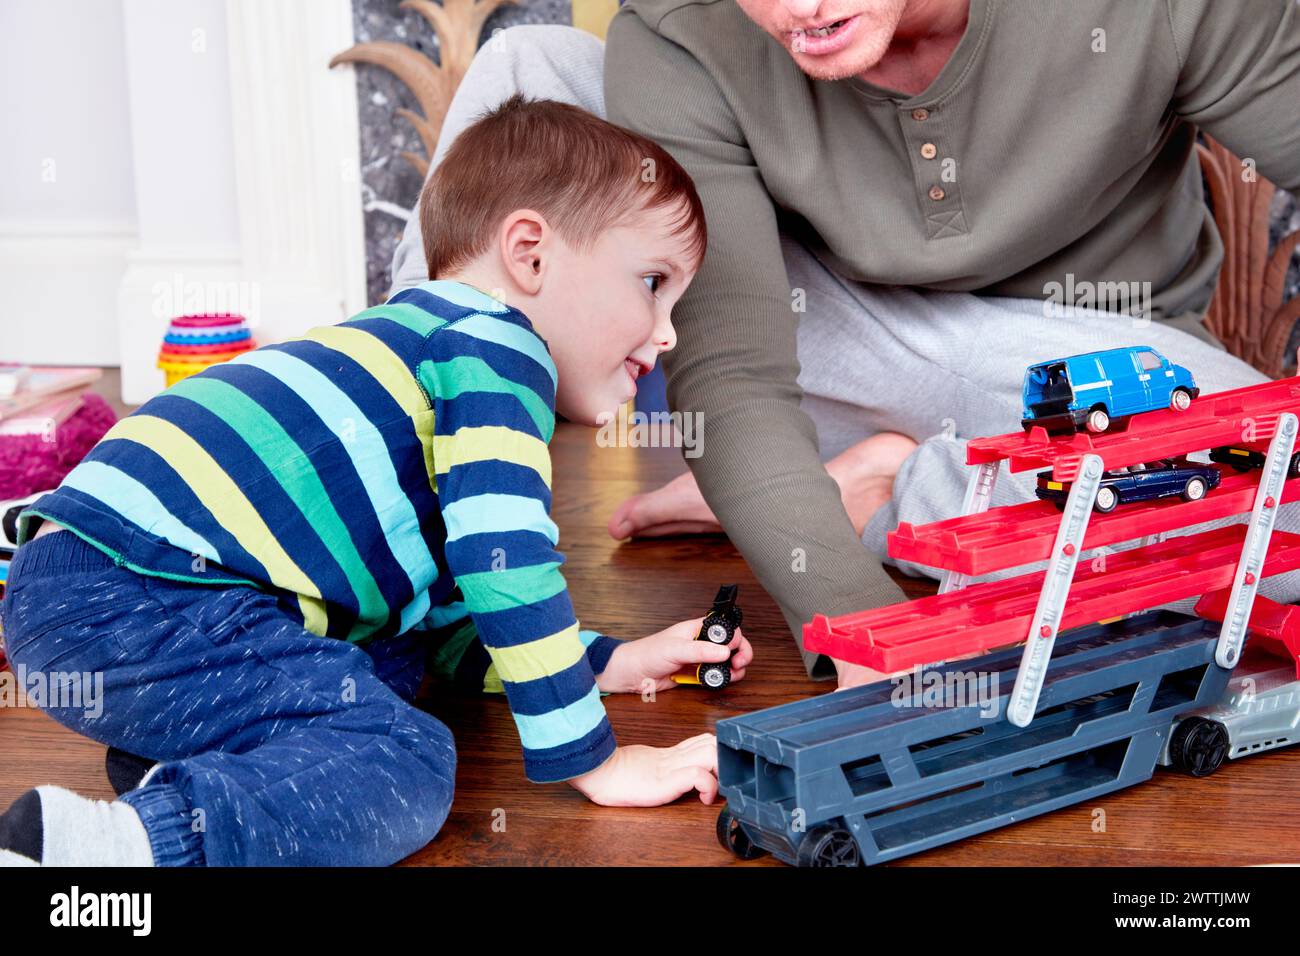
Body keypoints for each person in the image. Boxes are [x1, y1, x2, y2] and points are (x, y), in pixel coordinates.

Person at [390, 0, 1300, 688]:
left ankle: (887, 491)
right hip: (793, 335)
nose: (802, 8)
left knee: (1275, 505)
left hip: (1074, 375)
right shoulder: (685, 27)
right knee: (532, 66)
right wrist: (866, 631)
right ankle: (394, 557)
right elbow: (735, 365)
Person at [0, 95, 748, 867]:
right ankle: (112, 854)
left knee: (393, 658)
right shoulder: (500, 348)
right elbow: (509, 558)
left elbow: (450, 616)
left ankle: (202, 772)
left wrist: (610, 664)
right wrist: (599, 760)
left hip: (82, 588)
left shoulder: (404, 347)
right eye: (653, 283)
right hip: (138, 589)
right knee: (405, 756)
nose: (667, 333)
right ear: (531, 254)